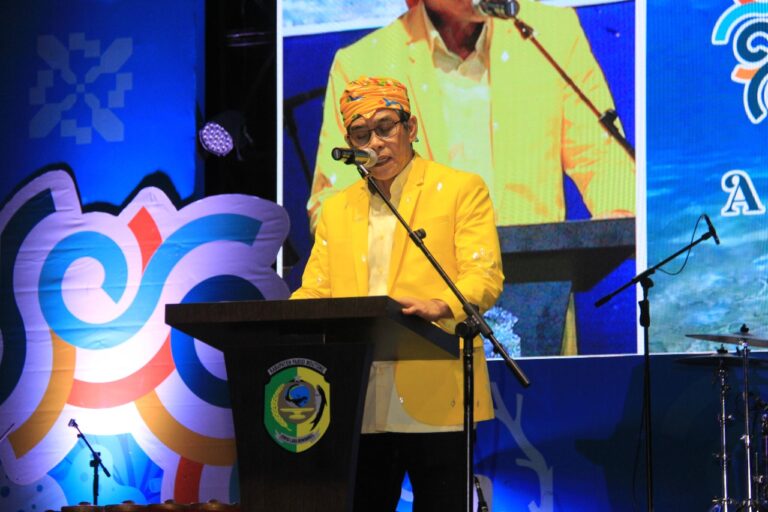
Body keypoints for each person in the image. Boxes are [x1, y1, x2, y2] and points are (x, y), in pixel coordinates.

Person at [306, 0, 636, 354]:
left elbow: (603, 157)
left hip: (538, 301)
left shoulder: (549, 33)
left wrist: (616, 218)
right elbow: (334, 207)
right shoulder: (365, 61)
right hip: (417, 319)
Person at [291, 76, 504, 511]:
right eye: (360, 134)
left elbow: (484, 274)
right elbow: (316, 288)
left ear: (411, 128)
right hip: (358, 396)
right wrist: (284, 320)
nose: (375, 142)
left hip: (437, 391)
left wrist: (442, 304)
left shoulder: (460, 189)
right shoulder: (336, 208)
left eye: (385, 127)